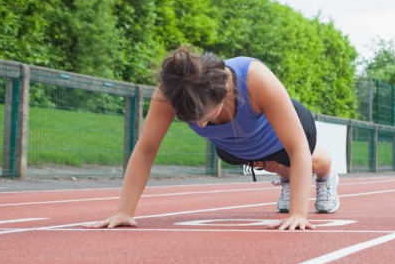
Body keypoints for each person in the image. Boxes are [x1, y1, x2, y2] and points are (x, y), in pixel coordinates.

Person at [87, 47, 340, 232]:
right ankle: (288, 178)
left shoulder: (255, 78)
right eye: (193, 122)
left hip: (290, 133)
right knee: (254, 161)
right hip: (236, 147)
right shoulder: (170, 92)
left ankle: (327, 174)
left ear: (224, 93)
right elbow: (145, 150)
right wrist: (124, 211)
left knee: (308, 161)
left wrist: (298, 214)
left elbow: (296, 147)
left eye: (207, 117)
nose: (201, 126)